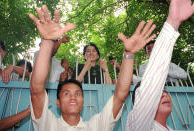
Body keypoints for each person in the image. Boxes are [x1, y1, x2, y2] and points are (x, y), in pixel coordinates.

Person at [28, 5, 155, 130]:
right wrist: (48, 40)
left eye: (78, 93)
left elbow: (120, 95)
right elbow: (37, 90)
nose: (73, 97)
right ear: (57, 102)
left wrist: (129, 54)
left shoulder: (97, 126)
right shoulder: (48, 125)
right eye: (67, 93)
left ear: (83, 100)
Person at [120, 0, 194, 130]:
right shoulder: (137, 125)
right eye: (159, 93)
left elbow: (183, 74)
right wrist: (172, 24)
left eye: (164, 92)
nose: (164, 94)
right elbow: (150, 85)